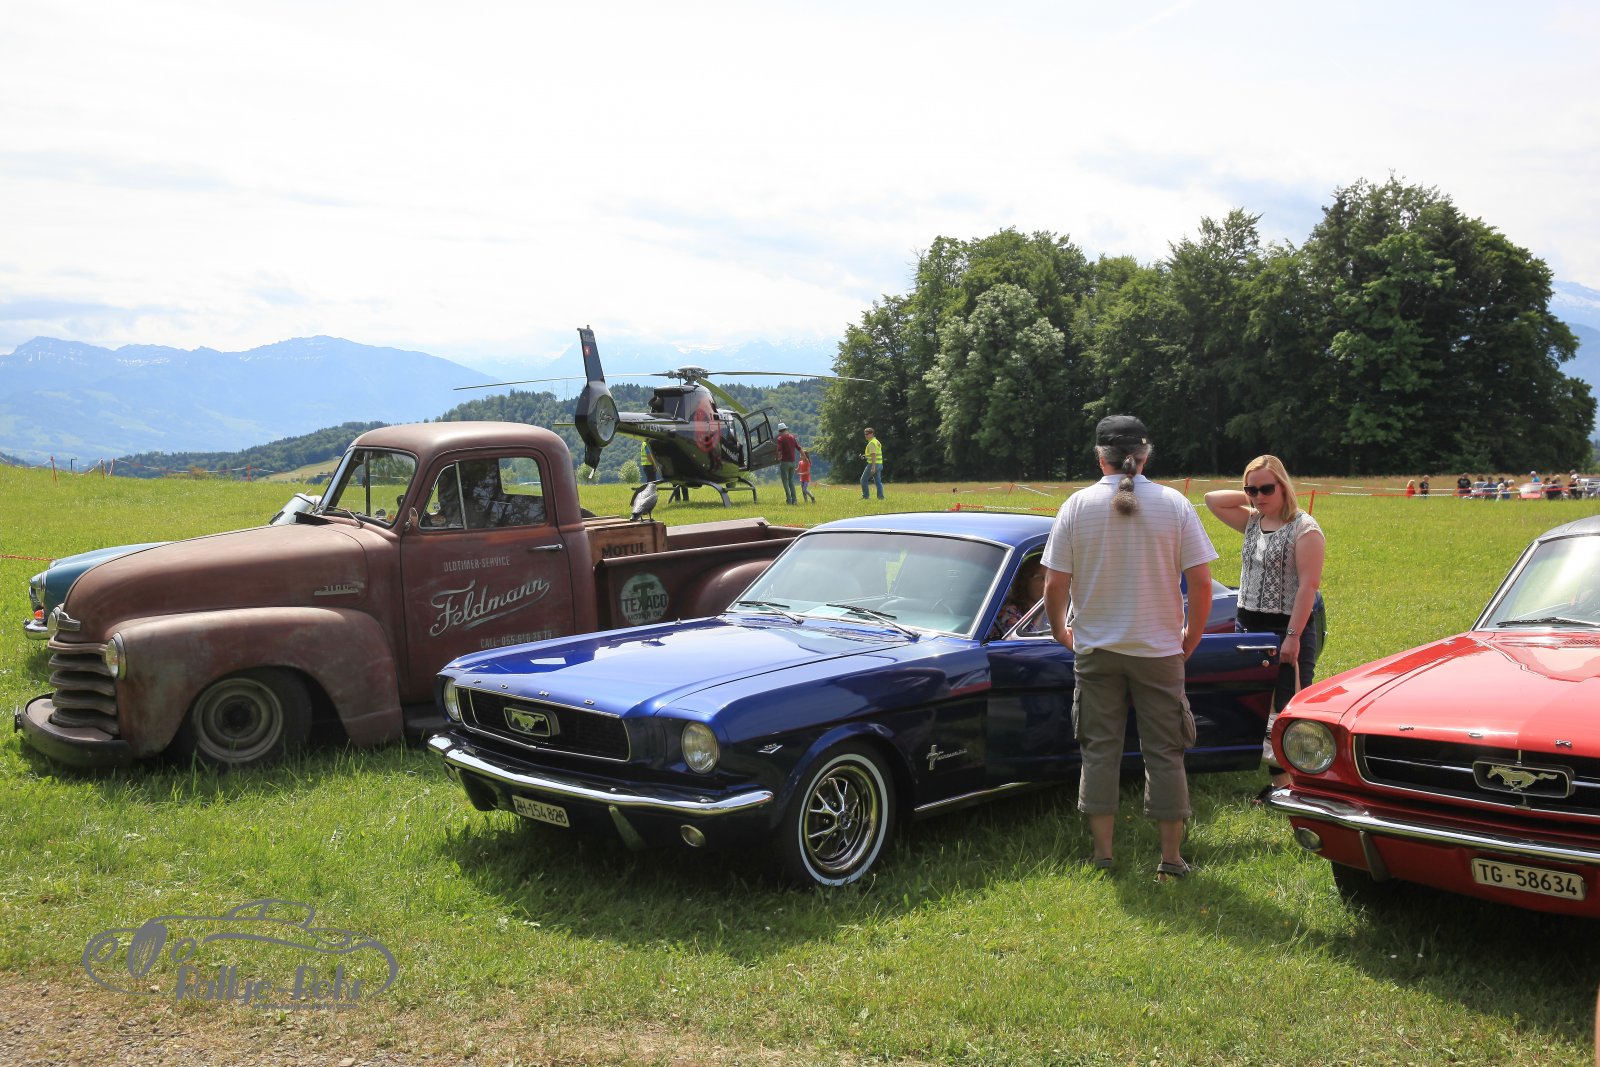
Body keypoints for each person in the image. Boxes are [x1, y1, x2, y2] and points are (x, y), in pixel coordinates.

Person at [1042, 415, 1216, 881]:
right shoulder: (1175, 504)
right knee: (1166, 752)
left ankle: (1103, 855)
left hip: (1096, 650)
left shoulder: (1076, 505)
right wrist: (1190, 638)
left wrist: (1060, 631)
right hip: (1159, 650)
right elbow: (1201, 584)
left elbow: (1054, 584)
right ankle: (1171, 860)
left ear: (1100, 457)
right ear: (1144, 456)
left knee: (1099, 751)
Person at [1204, 456, 1326, 801]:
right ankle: (1282, 782)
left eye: (1266, 488)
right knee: (1259, 705)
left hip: (1285, 627)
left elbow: (1308, 586)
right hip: (1248, 625)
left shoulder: (1304, 528)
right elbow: (1213, 500)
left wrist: (1293, 637)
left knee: (1288, 707)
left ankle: (1300, 784)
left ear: (1284, 486)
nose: (1258, 496)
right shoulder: (1252, 521)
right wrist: (1253, 496)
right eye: (1251, 489)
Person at [992, 557, 1045, 637]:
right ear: (1024, 581)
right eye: (1040, 577)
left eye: (1052, 578)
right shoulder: (1008, 613)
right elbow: (1024, 642)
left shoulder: (1058, 610)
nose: (1047, 583)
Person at [775, 422, 800, 504]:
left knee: (785, 481)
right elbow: (798, 448)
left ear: (779, 431)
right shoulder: (792, 437)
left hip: (785, 462)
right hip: (793, 462)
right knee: (791, 481)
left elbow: (779, 450)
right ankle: (795, 500)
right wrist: (806, 458)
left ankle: (789, 499)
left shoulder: (780, 438)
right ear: (786, 428)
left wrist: (779, 458)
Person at [860, 427, 884, 500]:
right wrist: (865, 456)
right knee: (878, 482)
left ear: (872, 434)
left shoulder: (871, 443)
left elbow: (873, 455)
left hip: (873, 465)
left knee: (863, 480)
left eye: (867, 434)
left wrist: (873, 467)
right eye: (865, 434)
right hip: (879, 464)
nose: (866, 435)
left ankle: (865, 497)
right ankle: (881, 497)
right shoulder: (876, 441)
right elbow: (874, 454)